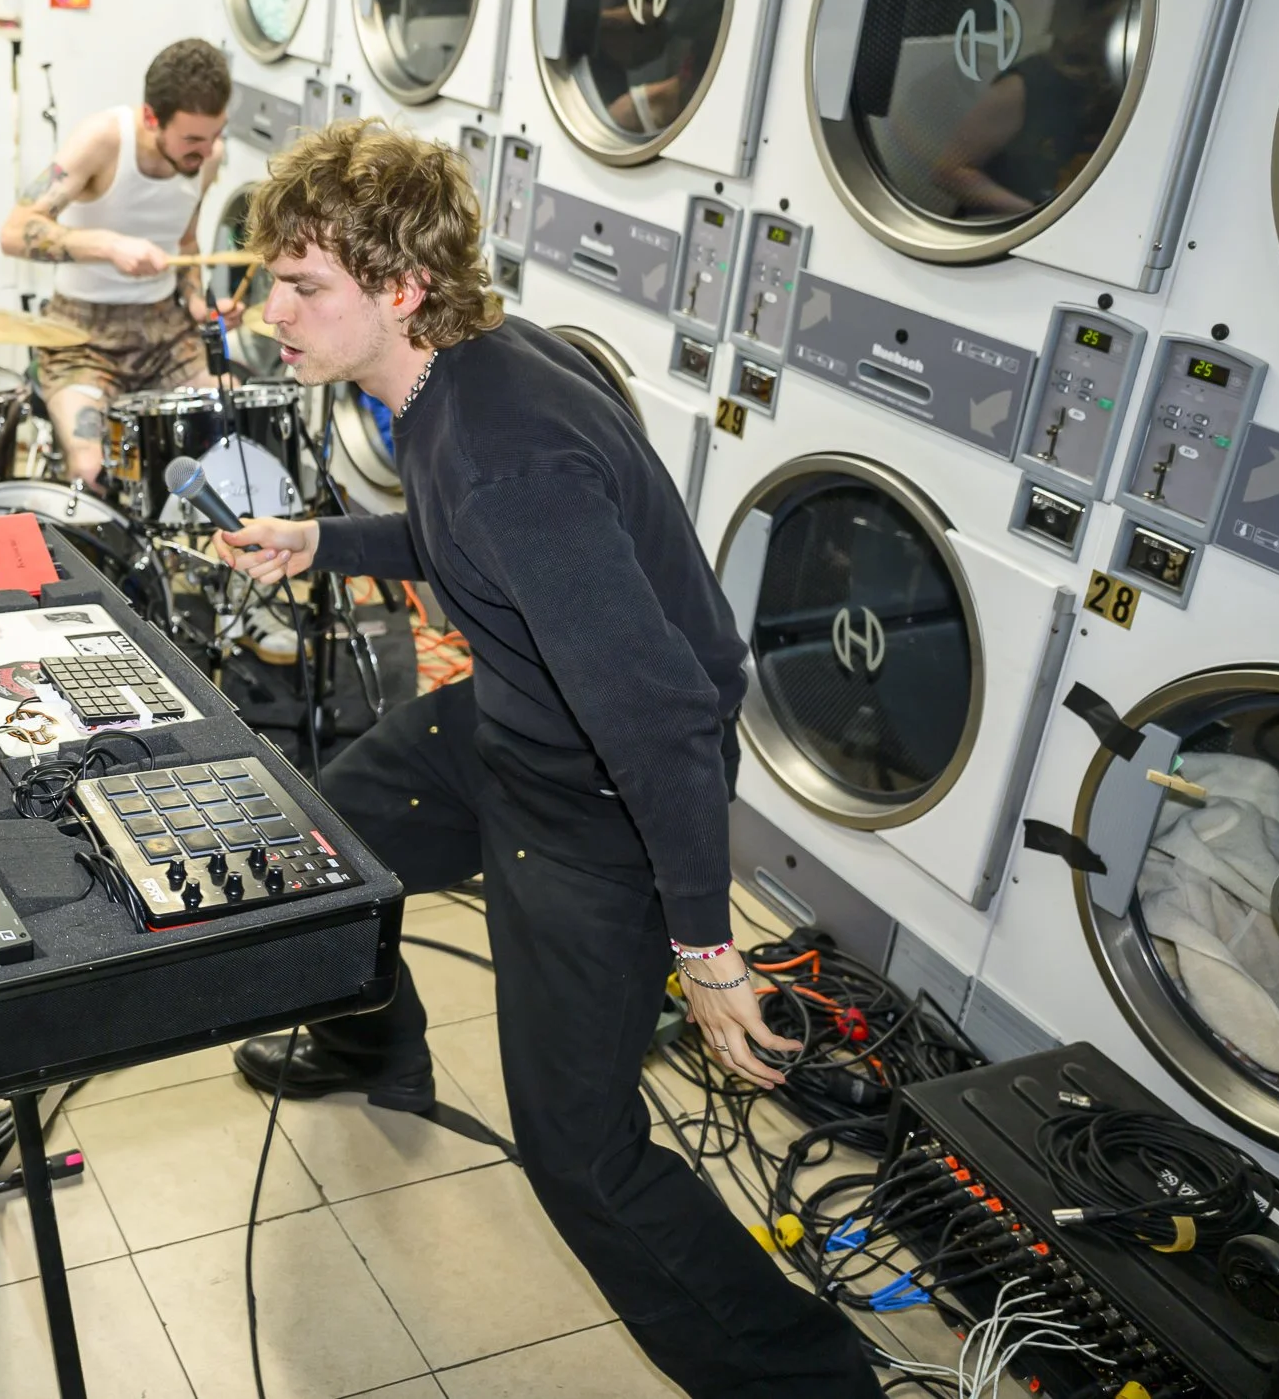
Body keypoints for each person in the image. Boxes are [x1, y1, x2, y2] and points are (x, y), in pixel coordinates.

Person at [215, 120, 881, 1399]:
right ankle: (372, 1045)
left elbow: (667, 716)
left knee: (581, 1154)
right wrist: (322, 542)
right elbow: (464, 545)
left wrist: (706, 946)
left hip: (595, 799)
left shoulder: (508, 445)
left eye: (302, 286)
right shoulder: (454, 376)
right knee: (324, 844)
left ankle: (809, 1383)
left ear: (399, 289)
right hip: (508, 732)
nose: (271, 311)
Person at [0, 38, 237, 489]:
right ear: (151, 118)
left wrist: (198, 306)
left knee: (233, 432)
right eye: (192, 139)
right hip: (81, 336)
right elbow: (14, 231)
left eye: (216, 135)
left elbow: (185, 242)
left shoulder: (206, 156)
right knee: (92, 469)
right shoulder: (104, 138)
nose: (206, 152)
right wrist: (107, 245)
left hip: (166, 331)